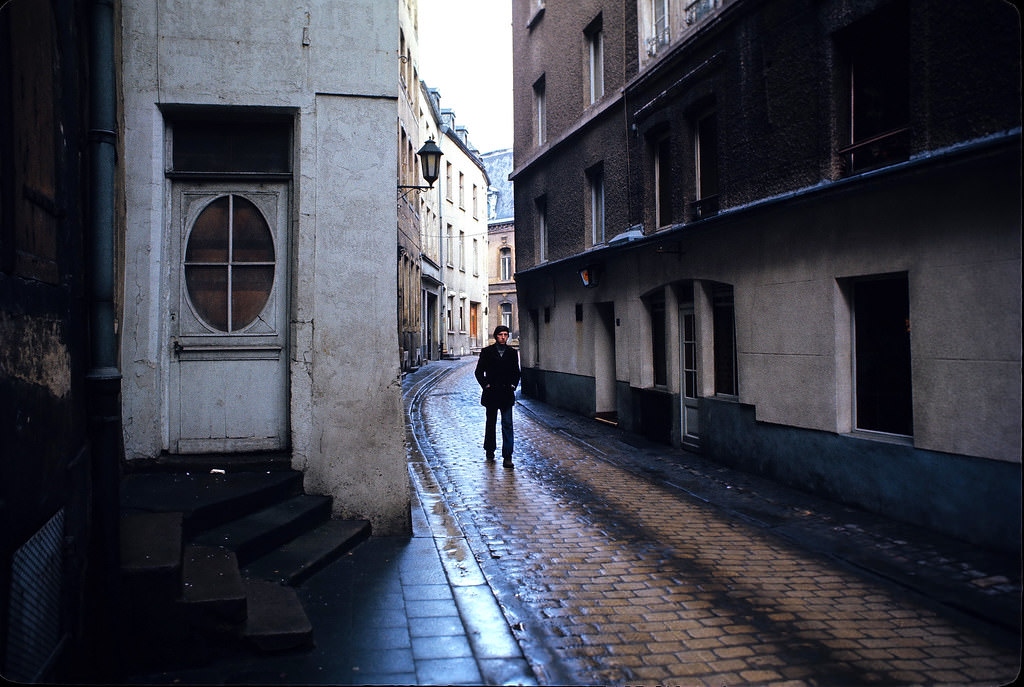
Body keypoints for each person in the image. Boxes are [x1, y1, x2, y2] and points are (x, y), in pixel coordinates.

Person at [475, 325, 521, 469]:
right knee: (491, 423)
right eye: (500, 334)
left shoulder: (512, 353)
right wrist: (486, 385)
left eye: (505, 335)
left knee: (507, 424)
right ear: (496, 336)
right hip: (492, 394)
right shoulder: (487, 352)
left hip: (506, 394)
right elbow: (478, 372)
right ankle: (490, 449)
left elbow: (516, 372)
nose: (503, 337)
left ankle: (508, 456)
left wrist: (513, 385)